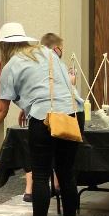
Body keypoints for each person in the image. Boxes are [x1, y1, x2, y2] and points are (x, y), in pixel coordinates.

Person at [0, 22, 83, 216]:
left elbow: (1, 109)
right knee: (66, 172)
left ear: (4, 46)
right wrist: (28, 104)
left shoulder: (11, 66)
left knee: (40, 175)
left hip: (45, 118)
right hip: (73, 114)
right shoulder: (47, 53)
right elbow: (56, 85)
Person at [21, 33, 67, 202]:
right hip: (57, 115)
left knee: (36, 160)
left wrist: (25, 107)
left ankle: (29, 189)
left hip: (37, 114)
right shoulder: (59, 66)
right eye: (61, 49)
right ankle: (57, 184)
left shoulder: (33, 64)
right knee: (60, 159)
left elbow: (29, 89)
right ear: (56, 49)